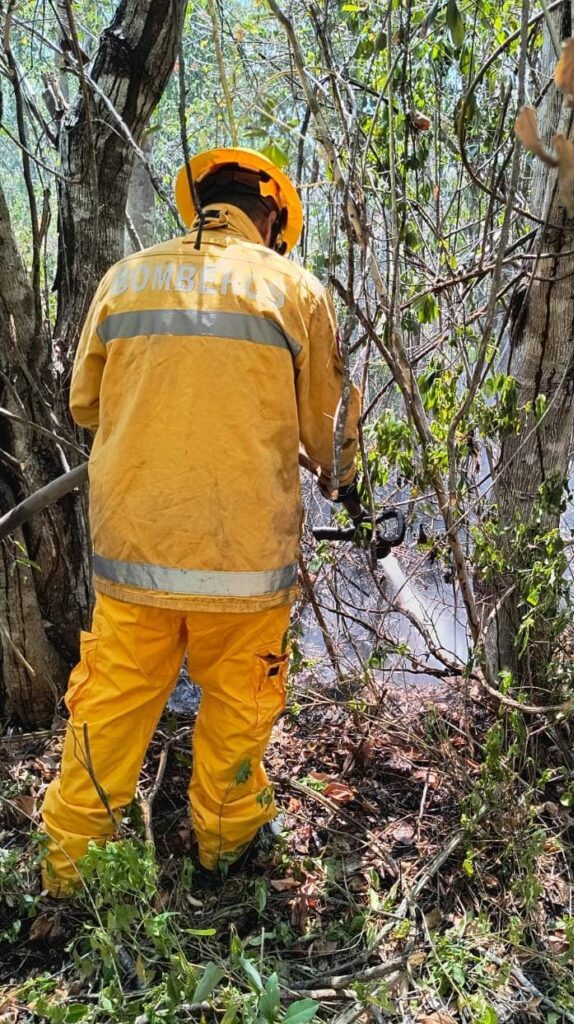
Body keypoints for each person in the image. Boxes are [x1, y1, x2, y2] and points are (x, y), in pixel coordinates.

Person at [41, 147, 361, 894]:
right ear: (272, 217)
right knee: (239, 710)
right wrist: (346, 482)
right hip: (245, 565)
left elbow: (84, 406)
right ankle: (224, 852)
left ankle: (68, 874)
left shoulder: (126, 278)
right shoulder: (294, 290)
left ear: (202, 204)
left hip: (134, 555)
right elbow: (328, 434)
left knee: (111, 709)